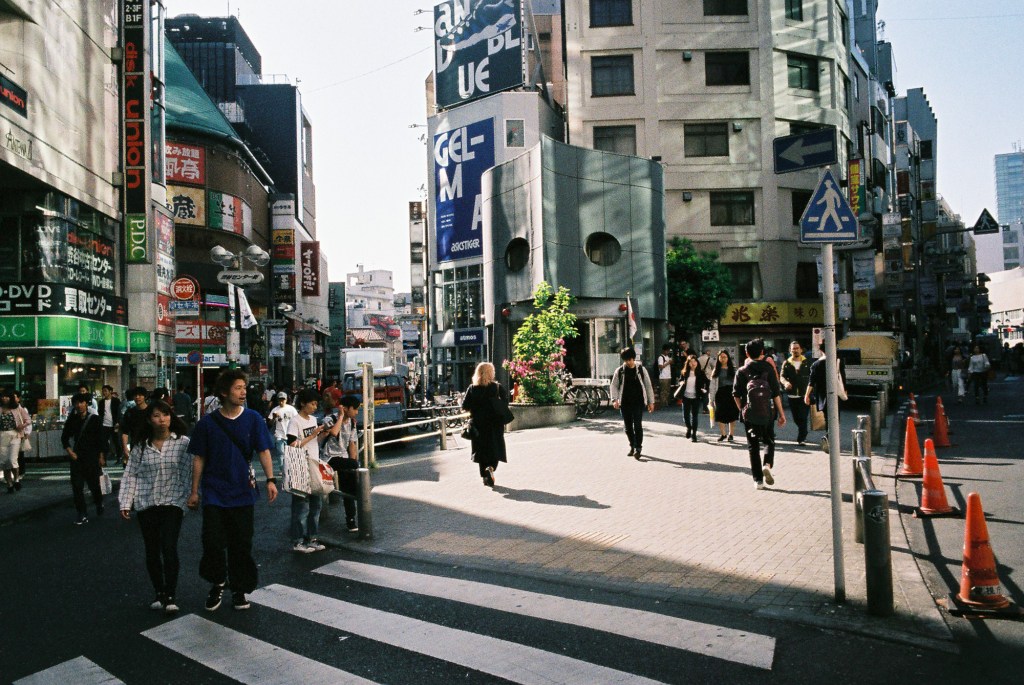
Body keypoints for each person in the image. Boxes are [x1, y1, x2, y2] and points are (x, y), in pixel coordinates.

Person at [187, 369, 277, 612]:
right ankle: (217, 582)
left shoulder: (254, 419)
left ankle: (239, 589)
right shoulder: (207, 423)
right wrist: (194, 491)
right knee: (213, 542)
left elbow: (264, 451)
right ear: (224, 392)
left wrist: (270, 479)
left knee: (241, 543)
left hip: (242, 492)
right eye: (238, 388)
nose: (243, 392)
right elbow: (199, 458)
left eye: (244, 387)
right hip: (214, 492)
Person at [118, 400, 192, 614]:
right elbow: (131, 474)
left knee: (168, 546)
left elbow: (189, 471)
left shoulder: (183, 443)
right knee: (152, 550)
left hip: (173, 501)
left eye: (166, 415)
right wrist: (126, 501)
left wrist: (191, 495)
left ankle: (170, 594)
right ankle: (159, 592)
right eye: (157, 416)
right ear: (149, 420)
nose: (162, 420)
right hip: (146, 501)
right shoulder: (141, 447)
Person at [733, 338, 786, 490]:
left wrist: (742, 410)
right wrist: (781, 414)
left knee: (753, 446)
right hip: (767, 412)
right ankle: (767, 464)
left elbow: (735, 394)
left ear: (747, 353)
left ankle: (758, 481)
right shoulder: (769, 369)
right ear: (762, 352)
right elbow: (776, 394)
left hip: (750, 414)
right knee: (769, 440)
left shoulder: (742, 371)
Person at [286, 389, 327, 553]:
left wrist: (322, 434)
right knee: (300, 507)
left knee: (316, 505)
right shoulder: (295, 421)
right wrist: (313, 435)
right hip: (300, 466)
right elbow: (292, 445)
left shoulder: (314, 419)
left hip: (314, 464)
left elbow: (316, 442)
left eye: (316, 404)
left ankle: (312, 538)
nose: (315, 407)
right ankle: (298, 541)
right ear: (303, 403)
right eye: (312, 403)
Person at [60, 392, 108, 524]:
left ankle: (99, 502)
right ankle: (81, 512)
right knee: (77, 486)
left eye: (81, 402)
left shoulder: (95, 419)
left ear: (87, 404)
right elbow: (64, 437)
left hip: (92, 457)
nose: (79, 405)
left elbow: (101, 439)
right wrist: (70, 451)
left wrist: (101, 456)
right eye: (76, 403)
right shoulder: (72, 420)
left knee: (94, 485)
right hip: (77, 457)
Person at [461, 362, 510, 486]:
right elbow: (505, 403)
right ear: (491, 372)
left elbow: (464, 406)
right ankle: (491, 468)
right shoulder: (497, 387)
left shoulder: (472, 388)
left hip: (478, 424)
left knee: (481, 450)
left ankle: (484, 475)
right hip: (495, 424)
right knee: (495, 448)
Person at [323, 395, 362, 532]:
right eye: (355, 409)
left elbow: (352, 444)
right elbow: (333, 433)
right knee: (351, 477)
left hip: (343, 458)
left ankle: (351, 519)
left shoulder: (352, 422)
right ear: (345, 408)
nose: (356, 412)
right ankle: (359, 491)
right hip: (329, 457)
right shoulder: (330, 419)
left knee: (348, 487)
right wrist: (340, 416)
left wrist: (354, 463)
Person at [609, 347, 655, 459]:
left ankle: (638, 448)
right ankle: (632, 445)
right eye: (626, 360)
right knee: (628, 427)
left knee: (637, 425)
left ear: (633, 358)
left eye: (630, 359)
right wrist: (615, 399)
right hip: (625, 402)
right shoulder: (620, 371)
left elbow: (648, 386)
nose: (628, 362)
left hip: (638, 402)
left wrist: (651, 402)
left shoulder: (641, 370)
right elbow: (614, 385)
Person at [803, 344, 847, 453]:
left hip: (823, 395)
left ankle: (829, 438)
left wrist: (806, 395)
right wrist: (845, 390)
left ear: (821, 350)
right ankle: (832, 440)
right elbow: (843, 377)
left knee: (828, 418)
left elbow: (811, 382)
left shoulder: (816, 364)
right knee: (836, 419)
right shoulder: (838, 362)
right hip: (836, 394)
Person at [780, 341, 812, 444]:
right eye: (793, 348)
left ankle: (801, 438)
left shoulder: (807, 362)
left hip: (805, 395)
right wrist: (785, 383)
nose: (795, 350)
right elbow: (782, 376)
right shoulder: (787, 363)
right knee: (796, 418)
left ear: (801, 349)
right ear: (790, 350)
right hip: (792, 395)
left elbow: (813, 377)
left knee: (803, 417)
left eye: (797, 348)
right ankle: (803, 431)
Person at [674, 354, 709, 442]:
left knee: (694, 416)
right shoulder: (684, 372)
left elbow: (707, 382)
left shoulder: (701, 373)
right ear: (688, 363)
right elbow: (680, 380)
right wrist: (681, 382)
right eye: (691, 362)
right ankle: (689, 428)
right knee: (685, 416)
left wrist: (704, 389)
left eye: (694, 361)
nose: (693, 363)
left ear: (697, 362)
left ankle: (694, 434)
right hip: (686, 396)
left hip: (696, 397)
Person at [708, 349, 739, 442]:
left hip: (731, 393)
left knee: (732, 414)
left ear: (728, 358)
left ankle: (731, 434)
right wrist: (711, 398)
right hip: (720, 393)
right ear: (718, 358)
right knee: (720, 414)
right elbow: (712, 386)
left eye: (725, 357)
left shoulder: (733, 369)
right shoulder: (716, 370)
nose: (723, 359)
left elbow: (737, 383)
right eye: (721, 357)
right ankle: (723, 434)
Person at [1, 389, 27, 493]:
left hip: (14, 434)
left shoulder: (17, 408)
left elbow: (27, 420)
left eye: (6, 396)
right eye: (2, 396)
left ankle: (16, 479)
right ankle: (9, 484)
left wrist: (22, 427)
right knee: (4, 462)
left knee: (12, 460)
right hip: (2, 435)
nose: (4, 398)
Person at [120, 387, 149, 466]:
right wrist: (125, 448)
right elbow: (125, 432)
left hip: (150, 446)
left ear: (145, 397)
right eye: (135, 395)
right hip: (135, 446)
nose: (137, 397)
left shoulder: (151, 411)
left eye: (140, 395)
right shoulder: (130, 412)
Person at [97, 385, 121, 462]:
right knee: (103, 442)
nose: (104, 392)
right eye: (103, 391)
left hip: (114, 425)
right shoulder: (101, 402)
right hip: (104, 425)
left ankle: (119, 457)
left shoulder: (116, 401)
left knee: (116, 441)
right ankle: (104, 458)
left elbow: (119, 412)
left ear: (110, 391)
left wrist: (118, 422)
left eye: (105, 391)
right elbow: (100, 413)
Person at [12, 390, 30, 488]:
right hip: (9, 436)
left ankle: (20, 473)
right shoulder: (6, 409)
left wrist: (26, 432)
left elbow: (28, 421)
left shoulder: (22, 409)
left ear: (19, 398)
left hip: (20, 434)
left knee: (19, 454)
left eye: (15, 397)